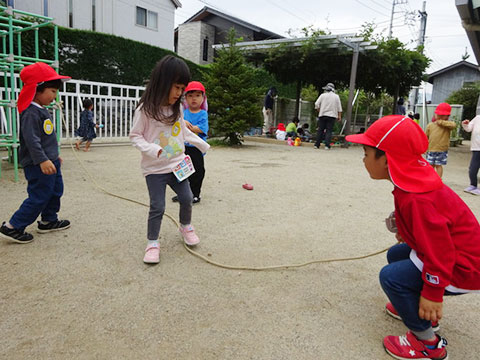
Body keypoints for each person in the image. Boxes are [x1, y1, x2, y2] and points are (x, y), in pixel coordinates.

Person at [345, 115, 480, 360]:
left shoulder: (417, 200)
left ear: (386, 159)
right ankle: (411, 306)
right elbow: (428, 230)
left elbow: (441, 251)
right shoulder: (412, 175)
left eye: (366, 153)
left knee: (392, 278)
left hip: (464, 267)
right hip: (455, 256)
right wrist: (405, 228)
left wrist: (432, 293)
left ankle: (427, 342)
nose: (363, 159)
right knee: (396, 254)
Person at [129, 55, 210, 264]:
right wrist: (151, 149)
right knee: (158, 206)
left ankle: (186, 226)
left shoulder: (178, 108)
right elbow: (135, 135)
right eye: (177, 87)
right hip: (155, 169)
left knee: (187, 197)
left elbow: (181, 130)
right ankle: (152, 242)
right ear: (162, 82)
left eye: (182, 88)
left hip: (177, 164)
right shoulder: (145, 109)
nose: (180, 93)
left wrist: (200, 143)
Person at [0, 62, 71, 243]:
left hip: (50, 160)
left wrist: (54, 155)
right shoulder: (31, 112)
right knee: (39, 195)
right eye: (52, 91)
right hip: (38, 163)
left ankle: (48, 220)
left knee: (55, 190)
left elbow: (46, 138)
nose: (55, 96)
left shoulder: (42, 110)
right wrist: (42, 160)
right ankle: (13, 226)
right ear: (37, 89)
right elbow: (32, 140)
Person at [171, 81, 208, 204]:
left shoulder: (203, 114)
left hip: (196, 148)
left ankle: (195, 194)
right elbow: (176, 125)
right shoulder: (183, 113)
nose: (194, 99)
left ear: (203, 98)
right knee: (182, 170)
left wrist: (187, 126)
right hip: (183, 147)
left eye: (198, 96)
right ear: (185, 98)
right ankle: (183, 193)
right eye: (190, 95)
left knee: (198, 171)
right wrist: (182, 122)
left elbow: (202, 128)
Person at [425, 103, 457, 178]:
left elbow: (453, 125)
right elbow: (425, 136)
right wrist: (425, 147)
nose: (440, 117)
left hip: (442, 150)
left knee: (438, 165)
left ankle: (438, 179)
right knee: (430, 165)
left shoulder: (447, 125)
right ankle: (429, 178)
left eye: (443, 116)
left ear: (447, 116)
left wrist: (441, 122)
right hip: (431, 149)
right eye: (438, 115)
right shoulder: (430, 125)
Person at [314, 82, 342, 150]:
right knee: (329, 131)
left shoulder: (322, 95)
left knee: (320, 130)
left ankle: (317, 145)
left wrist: (319, 110)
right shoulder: (336, 96)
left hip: (322, 114)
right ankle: (327, 145)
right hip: (332, 116)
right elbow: (339, 108)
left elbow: (316, 104)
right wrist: (339, 116)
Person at [462, 116, 480, 195]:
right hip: (476, 147)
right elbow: (469, 128)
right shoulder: (477, 118)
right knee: (473, 168)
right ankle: (473, 185)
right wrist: (465, 124)